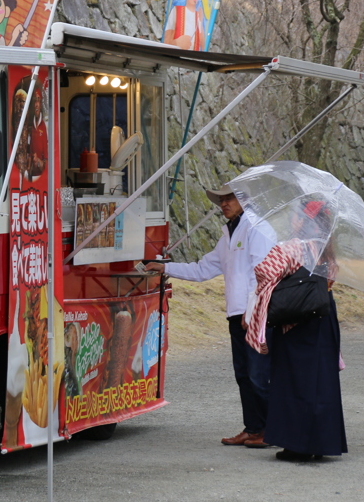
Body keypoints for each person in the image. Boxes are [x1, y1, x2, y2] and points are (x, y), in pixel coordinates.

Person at [146, 183, 276, 447]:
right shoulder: (229, 233)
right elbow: (202, 269)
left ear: (244, 200)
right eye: (221, 200)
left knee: (259, 374)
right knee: (244, 374)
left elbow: (264, 274)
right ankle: (254, 427)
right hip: (237, 313)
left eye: (229, 198)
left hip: (256, 313)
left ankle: (270, 429)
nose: (223, 203)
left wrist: (253, 309)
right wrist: (166, 268)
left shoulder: (257, 228)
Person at [243, 200, 347, 462]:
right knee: (321, 381)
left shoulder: (293, 247)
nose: (292, 220)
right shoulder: (326, 251)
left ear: (303, 221)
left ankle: (297, 445)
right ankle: (321, 443)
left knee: (294, 381)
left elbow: (264, 271)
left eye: (295, 216)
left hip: (296, 321)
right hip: (322, 319)